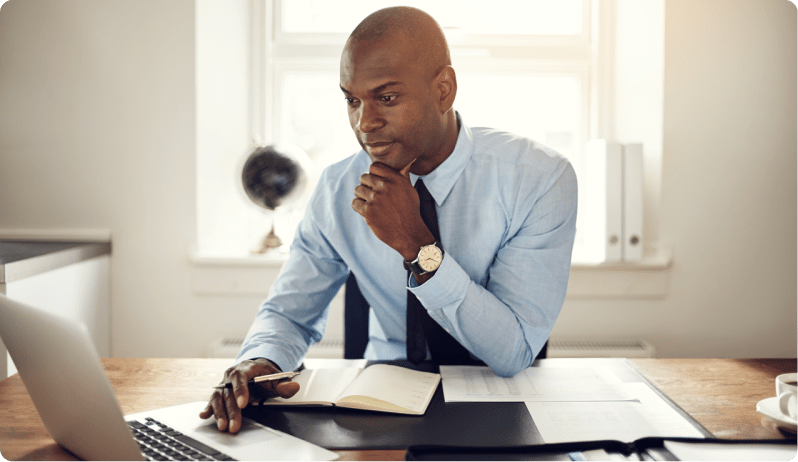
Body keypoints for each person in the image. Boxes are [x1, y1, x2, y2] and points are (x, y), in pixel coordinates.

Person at [201, 6, 577, 434]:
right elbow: (290, 314)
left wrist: (418, 248)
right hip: (378, 407)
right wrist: (260, 362)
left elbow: (512, 353)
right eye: (352, 100)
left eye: (386, 97)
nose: (365, 123)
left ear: (443, 90)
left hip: (503, 406)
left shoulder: (540, 179)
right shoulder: (336, 189)